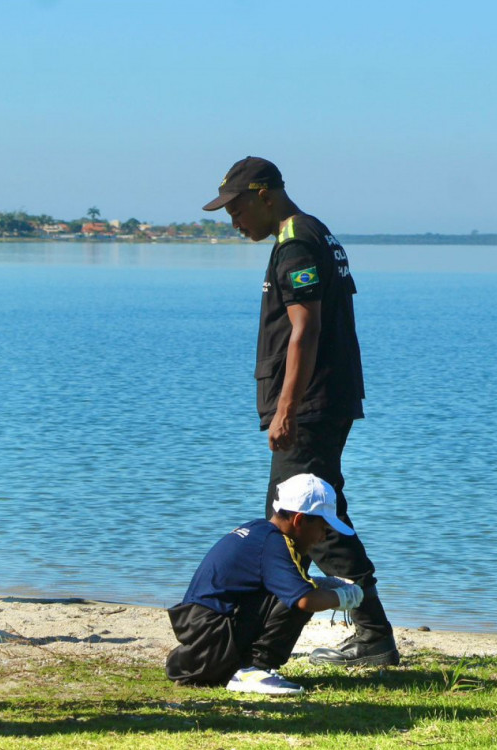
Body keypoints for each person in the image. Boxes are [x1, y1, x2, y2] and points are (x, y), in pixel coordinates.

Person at [202, 157, 397, 667]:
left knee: (299, 521)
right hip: (321, 401)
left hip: (310, 404)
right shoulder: (310, 233)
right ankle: (348, 633)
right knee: (306, 518)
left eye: (237, 207)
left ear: (264, 194)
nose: (233, 220)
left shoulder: (296, 242)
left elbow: (304, 330)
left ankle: (369, 636)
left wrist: (286, 407)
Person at [167, 474, 366, 695]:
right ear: (299, 520)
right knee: (300, 596)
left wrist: (322, 586)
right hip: (213, 642)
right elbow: (305, 600)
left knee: (299, 587)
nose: (324, 537)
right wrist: (346, 596)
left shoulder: (258, 530)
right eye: (325, 528)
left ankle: (236, 668)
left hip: (202, 638)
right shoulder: (275, 544)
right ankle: (253, 670)